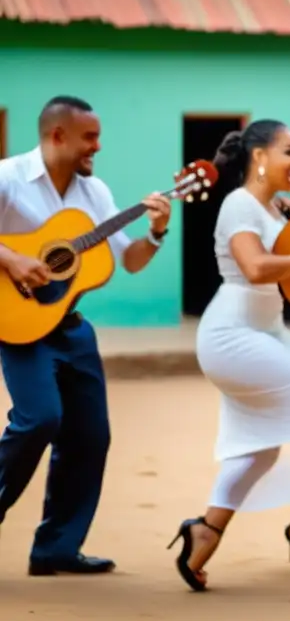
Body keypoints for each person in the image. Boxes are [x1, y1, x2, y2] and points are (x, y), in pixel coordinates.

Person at [167, 119, 290, 591]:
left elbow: (282, 256)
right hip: (232, 334)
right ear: (259, 156)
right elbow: (256, 268)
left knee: (261, 446)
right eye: (289, 151)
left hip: (265, 329)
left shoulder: (268, 206)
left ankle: (206, 529)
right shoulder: (239, 205)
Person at [0, 95, 171, 575]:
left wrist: (156, 232)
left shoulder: (94, 193)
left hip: (70, 325)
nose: (98, 146)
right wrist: (12, 258)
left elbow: (131, 260)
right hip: (19, 321)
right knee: (39, 420)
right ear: (58, 136)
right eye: (89, 137)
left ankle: (56, 547)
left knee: (90, 435)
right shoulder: (8, 179)